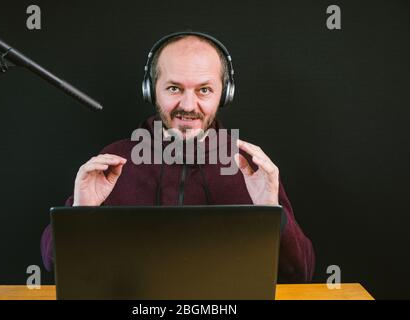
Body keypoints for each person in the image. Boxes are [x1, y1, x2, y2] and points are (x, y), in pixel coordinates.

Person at [41, 31, 315, 283]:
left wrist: (271, 213)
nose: (187, 105)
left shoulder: (250, 167)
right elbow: (53, 263)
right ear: (150, 89)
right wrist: (81, 213)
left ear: (225, 93)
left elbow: (301, 272)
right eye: (174, 88)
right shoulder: (114, 160)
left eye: (204, 90)